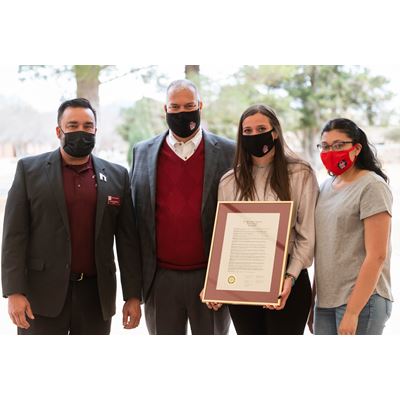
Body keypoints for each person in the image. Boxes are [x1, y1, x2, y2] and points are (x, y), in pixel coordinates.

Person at [1, 98, 142, 335]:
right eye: (73, 125)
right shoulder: (29, 171)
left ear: (95, 130)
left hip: (95, 298)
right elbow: (14, 236)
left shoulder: (118, 176)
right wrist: (14, 291)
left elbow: (128, 243)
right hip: (41, 297)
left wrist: (133, 295)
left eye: (88, 126)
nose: (81, 131)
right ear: (59, 131)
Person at [130, 79, 235, 335]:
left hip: (210, 278)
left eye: (189, 105)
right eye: (175, 107)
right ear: (165, 110)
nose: (182, 112)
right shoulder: (142, 152)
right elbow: (135, 220)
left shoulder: (229, 151)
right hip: (160, 279)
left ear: (200, 105)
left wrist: (223, 279)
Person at [205, 104, 319, 335]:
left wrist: (289, 278)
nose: (255, 136)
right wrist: (216, 285)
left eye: (261, 128)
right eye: (247, 131)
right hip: (243, 283)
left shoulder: (300, 174)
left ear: (274, 132)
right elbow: (225, 240)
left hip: (289, 281)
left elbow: (307, 236)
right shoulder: (229, 181)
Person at [313, 118, 393, 335]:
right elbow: (323, 248)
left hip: (362, 302)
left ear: (356, 148)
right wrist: (314, 301)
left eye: (339, 145)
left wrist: (352, 312)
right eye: (326, 146)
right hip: (326, 302)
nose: (331, 151)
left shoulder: (372, 186)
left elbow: (377, 255)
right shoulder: (326, 187)